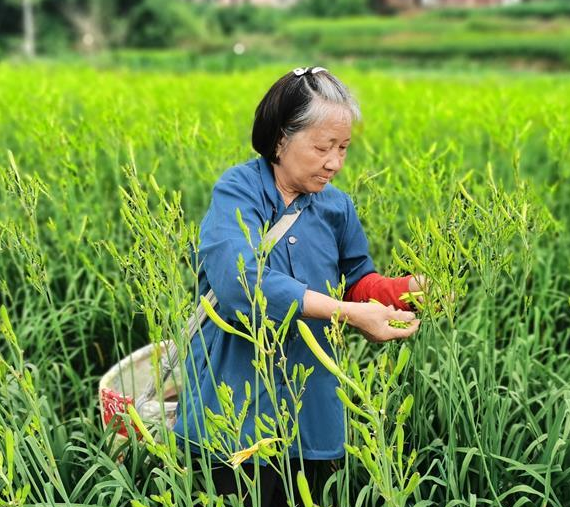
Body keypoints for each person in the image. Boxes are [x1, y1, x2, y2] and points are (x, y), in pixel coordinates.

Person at [173, 67, 423, 506]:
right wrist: (346, 314)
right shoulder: (238, 190)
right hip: (233, 415)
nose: (335, 163)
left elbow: (356, 281)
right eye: (323, 147)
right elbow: (238, 281)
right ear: (280, 139)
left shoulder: (337, 207)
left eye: (343, 148)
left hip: (311, 414)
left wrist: (402, 291)